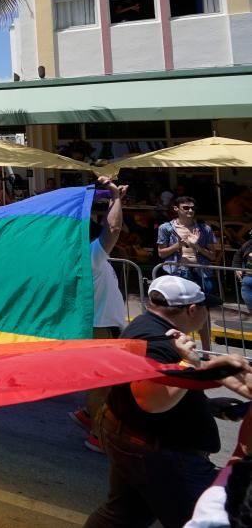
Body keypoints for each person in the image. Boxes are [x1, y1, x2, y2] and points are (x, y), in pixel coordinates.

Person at [85, 275, 252, 528]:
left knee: (123, 515)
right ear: (192, 309)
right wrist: (190, 364)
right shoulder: (157, 341)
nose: (207, 313)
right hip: (160, 454)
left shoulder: (146, 325)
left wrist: (205, 405)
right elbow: (150, 400)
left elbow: (160, 386)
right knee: (210, 519)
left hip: (136, 440)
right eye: (206, 307)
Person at [70, 176, 131, 452]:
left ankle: (86, 414)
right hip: (99, 326)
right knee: (103, 384)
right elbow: (114, 228)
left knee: (102, 379)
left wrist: (116, 199)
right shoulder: (89, 257)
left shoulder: (77, 257)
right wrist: (116, 199)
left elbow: (111, 226)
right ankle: (98, 433)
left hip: (97, 324)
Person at [159, 196, 221, 350]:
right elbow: (161, 253)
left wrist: (196, 246)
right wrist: (178, 244)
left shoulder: (204, 229)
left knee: (203, 313)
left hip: (201, 272)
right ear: (176, 209)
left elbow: (213, 256)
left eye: (192, 208)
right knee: (178, 312)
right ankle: (180, 350)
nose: (190, 210)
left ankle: (207, 352)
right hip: (178, 273)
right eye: (186, 208)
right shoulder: (166, 228)